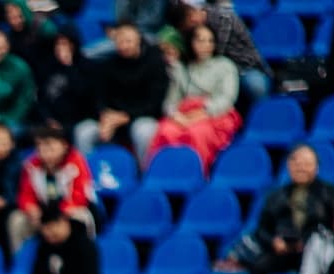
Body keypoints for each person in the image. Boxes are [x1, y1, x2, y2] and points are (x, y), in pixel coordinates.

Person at [219, 144, 334, 274]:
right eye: (297, 164)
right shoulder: (276, 196)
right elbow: (263, 228)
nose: (301, 169)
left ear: (316, 167)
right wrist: (274, 242)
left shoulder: (330, 194)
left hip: (318, 251)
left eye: (307, 164)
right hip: (283, 252)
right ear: (289, 166)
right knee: (259, 267)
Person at [148, 22, 240, 169]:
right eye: (201, 40)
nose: (206, 45)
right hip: (184, 115)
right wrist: (177, 116)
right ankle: (164, 175)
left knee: (197, 132)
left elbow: (227, 98)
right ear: (191, 42)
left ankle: (197, 175)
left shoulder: (225, 66)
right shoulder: (183, 69)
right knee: (166, 131)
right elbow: (171, 101)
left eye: (210, 41)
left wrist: (204, 113)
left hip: (215, 115)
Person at [73, 21, 166, 165]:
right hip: (112, 118)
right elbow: (99, 97)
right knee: (83, 132)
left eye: (128, 41)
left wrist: (125, 116)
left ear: (138, 40)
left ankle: (145, 174)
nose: (124, 45)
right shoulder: (108, 66)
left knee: (144, 131)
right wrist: (104, 116)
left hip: (141, 116)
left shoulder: (154, 64)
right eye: (120, 41)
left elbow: (154, 104)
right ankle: (86, 177)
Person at [167, 0, 268, 110]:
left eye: (190, 25)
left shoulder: (223, 18)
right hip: (214, 67)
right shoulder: (193, 29)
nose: (190, 30)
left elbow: (213, 53)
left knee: (254, 84)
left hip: (244, 68)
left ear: (192, 16)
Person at [11, 122, 96, 249]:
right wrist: (31, 208)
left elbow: (80, 196)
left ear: (64, 146)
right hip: (42, 212)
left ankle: (85, 255)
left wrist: (58, 215)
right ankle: (20, 260)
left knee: (82, 217)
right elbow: (25, 194)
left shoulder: (76, 163)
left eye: (50, 148)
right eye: (41, 148)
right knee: (17, 220)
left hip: (67, 210)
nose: (46, 153)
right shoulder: (31, 165)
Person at [34, 29, 94, 131]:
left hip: (79, 121)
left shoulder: (86, 66)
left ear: (73, 45)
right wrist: (48, 119)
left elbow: (83, 95)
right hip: (51, 121)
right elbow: (41, 98)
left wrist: (69, 66)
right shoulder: (48, 67)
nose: (60, 48)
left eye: (65, 44)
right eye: (58, 44)